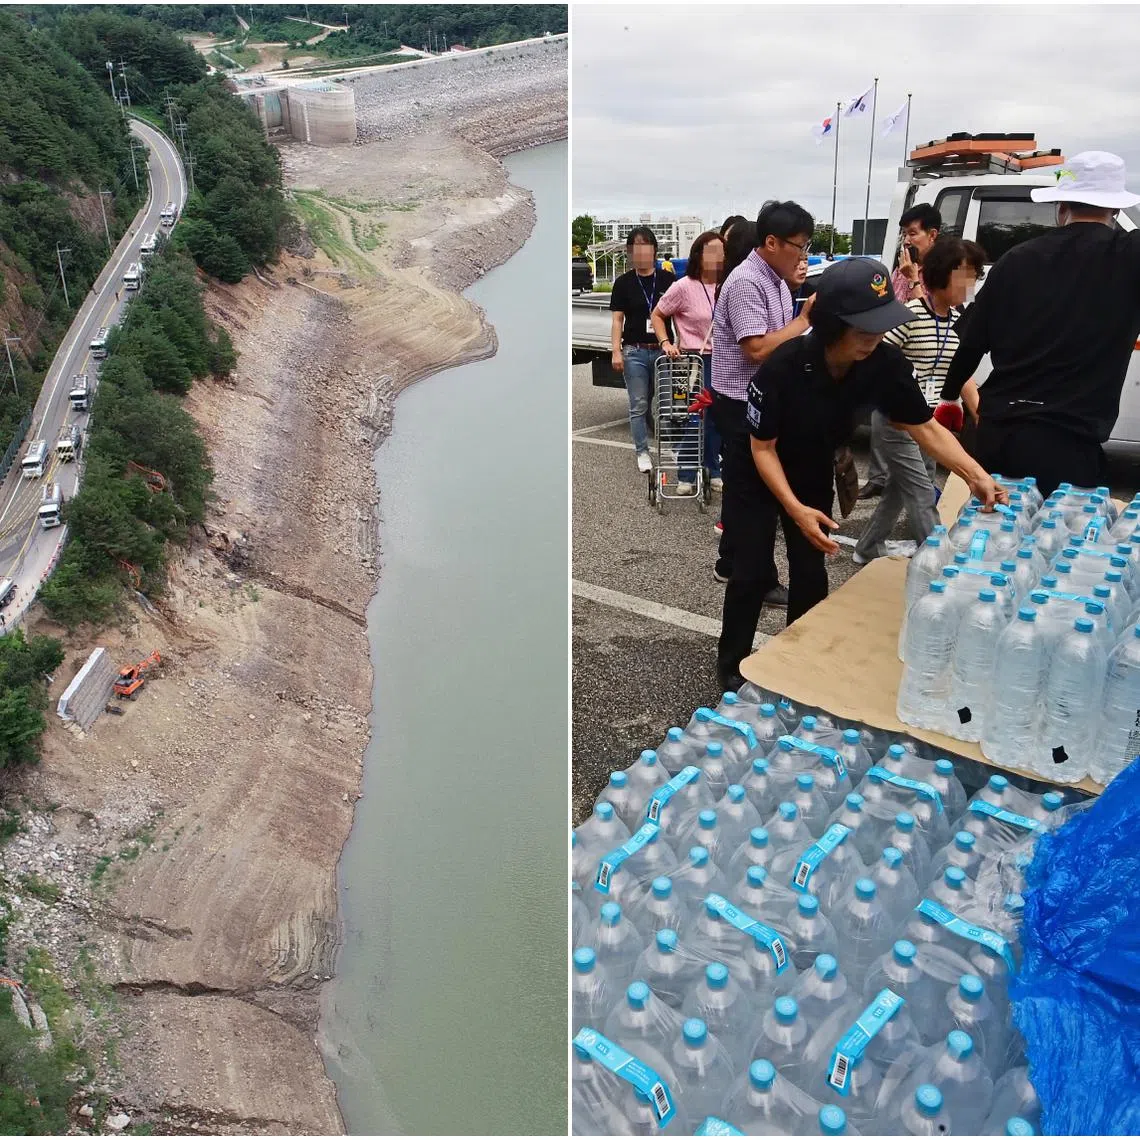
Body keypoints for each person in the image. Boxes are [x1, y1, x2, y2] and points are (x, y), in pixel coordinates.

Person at [717, 257, 1004, 691]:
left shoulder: (883, 362)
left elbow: (923, 425)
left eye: (881, 323)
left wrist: (974, 473)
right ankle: (732, 665)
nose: (875, 336)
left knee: (810, 566)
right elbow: (763, 448)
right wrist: (794, 509)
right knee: (752, 569)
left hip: (813, 460)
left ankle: (798, 656)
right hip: (758, 466)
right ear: (833, 324)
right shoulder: (784, 365)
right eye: (864, 327)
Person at [939, 151, 1140, 496]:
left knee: (990, 536)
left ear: (1061, 208)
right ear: (1116, 211)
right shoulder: (1128, 257)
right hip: (1068, 444)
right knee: (1054, 544)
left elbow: (971, 343)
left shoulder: (1017, 259)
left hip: (997, 433)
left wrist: (949, 397)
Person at [713, 200, 816, 640]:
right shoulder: (746, 282)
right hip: (740, 408)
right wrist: (805, 322)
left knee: (771, 523)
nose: (804, 254)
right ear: (770, 242)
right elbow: (756, 349)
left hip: (769, 402)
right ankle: (733, 656)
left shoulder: (776, 278)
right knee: (751, 526)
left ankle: (760, 572)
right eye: (799, 245)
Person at [854, 237, 987, 563]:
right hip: (897, 422)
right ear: (942, 274)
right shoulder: (908, 315)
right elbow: (875, 359)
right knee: (922, 492)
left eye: (974, 274)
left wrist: (980, 413)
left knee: (902, 489)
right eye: (965, 274)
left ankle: (867, 548)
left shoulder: (958, 323)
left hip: (931, 423)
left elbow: (963, 375)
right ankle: (941, 564)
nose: (970, 283)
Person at [862, 204, 944, 500]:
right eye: (904, 234)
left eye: (913, 233)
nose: (907, 240)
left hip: (923, 366)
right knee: (881, 421)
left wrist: (914, 280)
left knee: (923, 434)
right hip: (893, 355)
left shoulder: (942, 270)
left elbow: (934, 319)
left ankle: (924, 495)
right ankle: (881, 478)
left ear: (932, 234)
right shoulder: (900, 268)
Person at [651, 230, 725, 493]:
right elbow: (658, 314)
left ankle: (713, 468)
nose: (718, 257)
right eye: (712, 251)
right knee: (691, 418)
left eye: (722, 251)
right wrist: (666, 343)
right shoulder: (683, 286)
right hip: (688, 363)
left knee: (715, 418)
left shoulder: (727, 285)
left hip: (719, 360)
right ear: (699, 255)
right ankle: (686, 473)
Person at [610, 226, 676, 473]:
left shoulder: (668, 280)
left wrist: (679, 342)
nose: (640, 253)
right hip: (634, 351)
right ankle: (642, 452)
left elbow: (678, 315)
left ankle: (675, 448)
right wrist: (616, 351)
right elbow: (618, 320)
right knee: (638, 404)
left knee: (669, 403)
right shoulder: (623, 283)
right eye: (635, 249)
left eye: (645, 247)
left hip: (663, 351)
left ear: (654, 250)